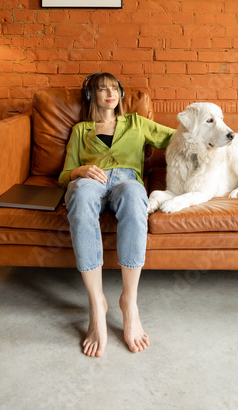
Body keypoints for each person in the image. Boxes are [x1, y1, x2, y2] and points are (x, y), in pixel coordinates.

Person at [58, 73, 174, 357]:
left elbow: (177, 140)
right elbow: (64, 175)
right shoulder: (81, 130)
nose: (110, 93)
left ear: (121, 95)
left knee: (136, 198)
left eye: (115, 88)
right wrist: (81, 171)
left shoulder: (136, 123)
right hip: (89, 181)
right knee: (81, 196)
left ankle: (129, 302)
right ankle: (97, 304)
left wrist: (215, 136)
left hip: (127, 180)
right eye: (102, 88)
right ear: (91, 96)